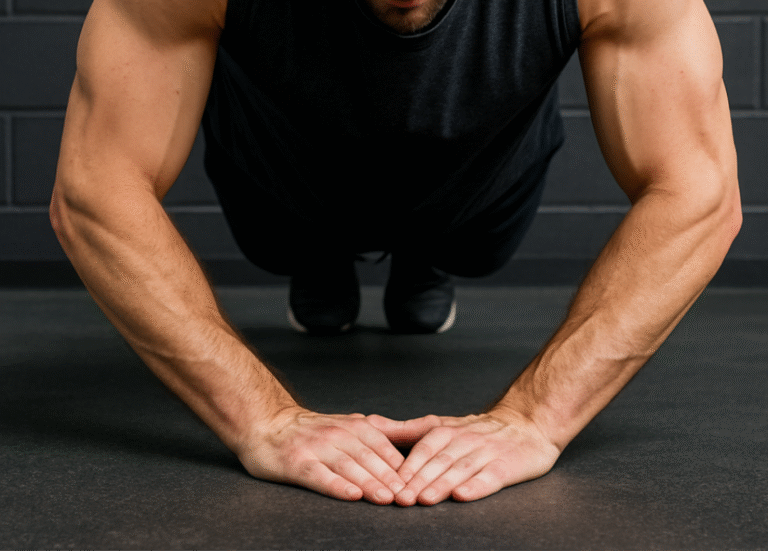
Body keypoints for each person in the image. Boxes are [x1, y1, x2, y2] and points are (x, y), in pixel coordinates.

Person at [50, 0, 741, 507]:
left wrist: (535, 417)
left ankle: (424, 254)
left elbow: (700, 194)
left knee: (468, 254)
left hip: (475, 187)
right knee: (288, 253)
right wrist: (262, 418)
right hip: (285, 184)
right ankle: (321, 257)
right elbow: (92, 189)